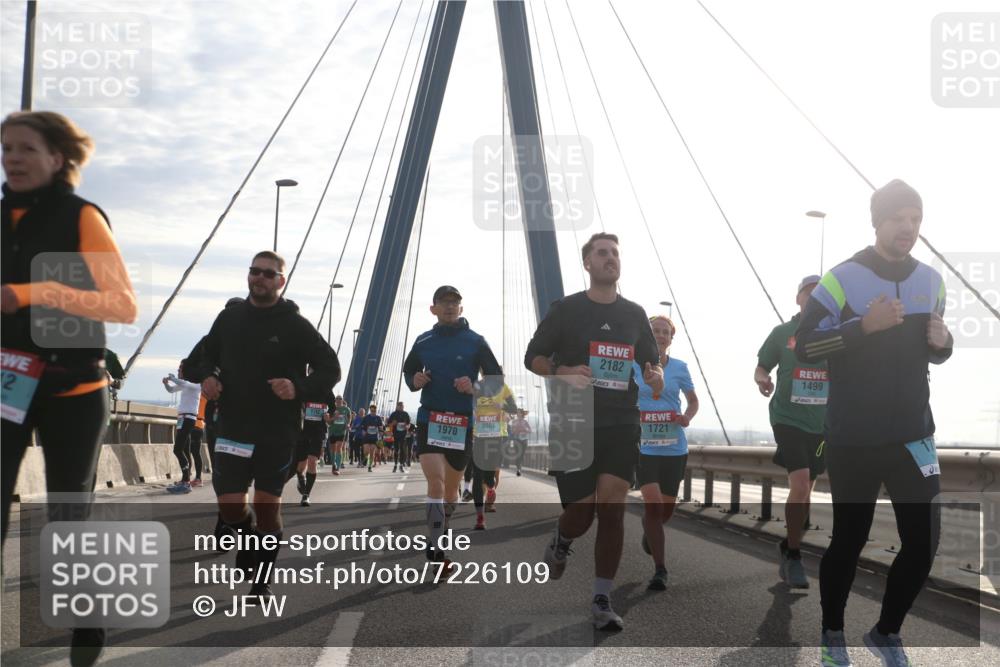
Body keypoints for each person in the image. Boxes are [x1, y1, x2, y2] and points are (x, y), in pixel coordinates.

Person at [795, 180, 952, 667]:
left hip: (913, 434)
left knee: (924, 541)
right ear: (877, 222)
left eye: (916, 219)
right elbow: (805, 347)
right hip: (854, 435)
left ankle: (886, 632)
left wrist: (944, 344)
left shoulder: (932, 281)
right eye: (899, 218)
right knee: (850, 538)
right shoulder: (843, 279)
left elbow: (934, 352)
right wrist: (862, 326)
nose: (909, 228)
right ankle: (832, 634)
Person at [1, 110, 138, 665]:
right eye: (6, 148)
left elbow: (122, 304)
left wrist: (35, 292)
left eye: (26, 148)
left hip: (73, 391)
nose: (12, 157)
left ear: (58, 158)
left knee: (66, 517)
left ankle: (87, 631)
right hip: (7, 386)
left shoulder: (81, 217)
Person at [524, 233, 662, 631]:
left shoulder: (635, 314)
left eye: (616, 253)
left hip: (621, 420)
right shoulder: (565, 309)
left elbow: (652, 364)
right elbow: (532, 357)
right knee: (581, 514)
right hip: (574, 419)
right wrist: (563, 372)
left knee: (613, 509)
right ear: (587, 263)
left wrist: (654, 377)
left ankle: (602, 597)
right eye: (602, 253)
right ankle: (562, 538)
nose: (610, 258)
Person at [184, 250, 340, 603]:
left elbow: (331, 369)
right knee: (229, 506)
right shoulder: (229, 319)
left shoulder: (295, 325)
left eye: (269, 274)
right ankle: (249, 538)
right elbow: (198, 360)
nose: (260, 278)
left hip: (277, 430)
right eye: (255, 271)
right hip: (234, 425)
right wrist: (207, 376)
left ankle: (262, 582)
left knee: (268, 505)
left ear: (280, 282)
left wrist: (298, 388)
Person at [403, 285, 503, 572]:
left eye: (455, 302)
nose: (449, 306)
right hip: (429, 419)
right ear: (433, 308)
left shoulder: (476, 341)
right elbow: (408, 370)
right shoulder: (423, 341)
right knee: (435, 482)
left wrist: (474, 387)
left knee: (451, 489)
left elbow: (495, 380)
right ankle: (436, 547)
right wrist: (416, 380)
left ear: (461, 308)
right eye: (444, 302)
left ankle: (442, 530)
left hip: (461, 422)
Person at [754, 276, 828, 589]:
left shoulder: (836, 335)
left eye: (821, 295)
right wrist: (762, 380)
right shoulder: (782, 333)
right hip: (787, 418)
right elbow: (762, 366)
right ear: (798, 298)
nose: (814, 298)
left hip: (822, 425)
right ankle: (795, 555)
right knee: (799, 482)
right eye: (809, 293)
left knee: (806, 489)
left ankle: (788, 544)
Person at [636, 314, 698, 591]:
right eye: (655, 331)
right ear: (647, 336)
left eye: (665, 332)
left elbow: (693, 402)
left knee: (666, 511)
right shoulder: (632, 367)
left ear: (671, 339)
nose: (660, 335)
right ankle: (660, 569)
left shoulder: (681, 368)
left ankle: (651, 530)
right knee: (653, 505)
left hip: (674, 447)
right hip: (644, 446)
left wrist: (687, 416)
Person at [471, 382, 518, 529]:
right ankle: (480, 518)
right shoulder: (477, 386)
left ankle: (491, 488)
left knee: (489, 476)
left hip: (497, 437)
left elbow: (514, 409)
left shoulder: (504, 388)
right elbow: (468, 403)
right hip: (478, 436)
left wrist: (502, 407)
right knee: (477, 476)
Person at [163, 361, 203, 493]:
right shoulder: (186, 385)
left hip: (188, 419)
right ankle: (185, 480)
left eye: (180, 369)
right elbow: (171, 390)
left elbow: (182, 383)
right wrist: (166, 384)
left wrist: (172, 378)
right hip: (182, 419)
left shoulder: (195, 384)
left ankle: (186, 481)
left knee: (177, 449)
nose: (178, 370)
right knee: (184, 449)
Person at [294, 374, 333, 506]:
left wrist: (330, 418)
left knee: (312, 461)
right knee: (300, 466)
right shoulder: (304, 387)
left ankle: (306, 495)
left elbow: (333, 410)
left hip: (318, 431)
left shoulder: (327, 390)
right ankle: (300, 476)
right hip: (304, 430)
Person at [326, 396, 352, 475]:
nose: (339, 400)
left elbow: (349, 417)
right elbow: (328, 422)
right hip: (332, 431)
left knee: (339, 448)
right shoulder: (331, 409)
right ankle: (333, 465)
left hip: (341, 431)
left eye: (340, 399)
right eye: (337, 399)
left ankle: (337, 467)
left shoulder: (346, 409)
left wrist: (348, 424)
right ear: (335, 401)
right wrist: (334, 418)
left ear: (342, 400)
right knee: (333, 450)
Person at [387, 401, 412, 472]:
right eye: (400, 406)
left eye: (402, 406)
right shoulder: (393, 414)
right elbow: (388, 425)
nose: (401, 407)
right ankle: (395, 465)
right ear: (397, 406)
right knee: (396, 450)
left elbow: (409, 424)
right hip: (396, 434)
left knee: (402, 449)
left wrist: (407, 426)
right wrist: (392, 424)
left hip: (403, 434)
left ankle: (401, 465)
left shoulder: (405, 414)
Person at [360, 404, 383, 472]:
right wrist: (363, 431)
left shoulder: (378, 418)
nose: (373, 412)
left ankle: (369, 466)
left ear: (376, 411)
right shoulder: (366, 417)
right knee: (366, 452)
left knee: (372, 452)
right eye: (372, 411)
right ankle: (366, 458)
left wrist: (381, 432)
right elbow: (363, 426)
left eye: (374, 411)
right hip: (367, 437)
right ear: (370, 410)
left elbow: (380, 427)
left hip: (374, 437)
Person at [509, 409, 531, 476]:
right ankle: (518, 469)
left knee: (522, 455)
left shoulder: (525, 422)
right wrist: (515, 430)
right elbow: (511, 431)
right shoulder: (514, 421)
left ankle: (519, 468)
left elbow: (530, 430)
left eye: (519, 413)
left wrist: (525, 430)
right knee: (517, 455)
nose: (518, 414)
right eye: (517, 413)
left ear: (522, 414)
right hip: (516, 439)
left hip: (524, 440)